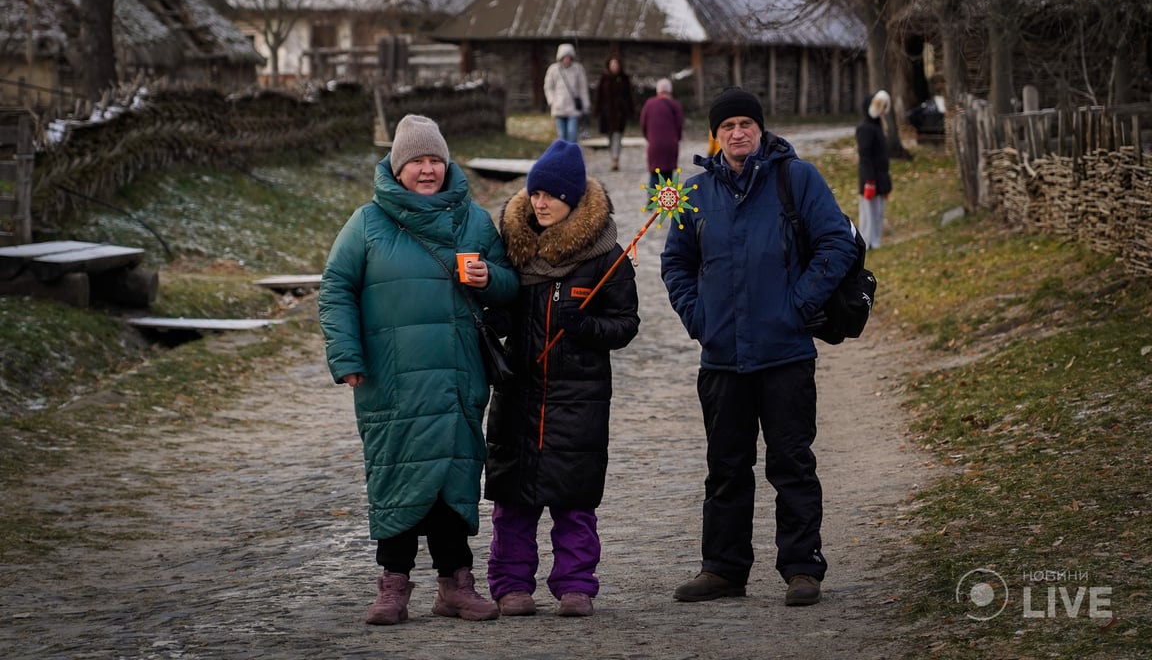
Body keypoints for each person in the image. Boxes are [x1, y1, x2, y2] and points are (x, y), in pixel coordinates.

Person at [660, 87, 858, 607]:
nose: (738, 132)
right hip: (722, 357)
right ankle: (723, 569)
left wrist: (798, 304)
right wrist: (697, 316)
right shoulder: (693, 191)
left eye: (747, 123)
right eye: (728, 126)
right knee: (725, 466)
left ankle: (801, 568)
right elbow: (675, 261)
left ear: (761, 129)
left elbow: (838, 242)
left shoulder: (797, 179)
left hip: (785, 353)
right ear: (715, 134)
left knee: (791, 463)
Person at [318, 114, 519, 626]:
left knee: (454, 472)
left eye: (435, 160)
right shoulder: (366, 223)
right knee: (395, 474)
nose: (427, 170)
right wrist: (347, 359)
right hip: (391, 379)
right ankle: (393, 587)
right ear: (396, 166)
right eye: (416, 162)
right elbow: (335, 289)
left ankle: (457, 585)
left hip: (456, 373)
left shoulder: (473, 220)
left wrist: (487, 278)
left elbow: (510, 288)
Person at [484, 139, 640, 619]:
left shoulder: (605, 258)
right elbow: (501, 307)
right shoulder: (513, 251)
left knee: (574, 500)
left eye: (552, 194)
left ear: (574, 199)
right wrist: (496, 319)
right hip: (519, 393)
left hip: (580, 400)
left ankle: (575, 585)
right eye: (535, 194)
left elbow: (626, 324)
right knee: (513, 500)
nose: (541, 202)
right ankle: (511, 585)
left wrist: (586, 325)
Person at [857, 90, 892, 249]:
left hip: (881, 176)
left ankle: (875, 241)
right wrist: (869, 181)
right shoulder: (865, 129)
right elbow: (865, 156)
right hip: (870, 178)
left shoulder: (878, 127)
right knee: (868, 214)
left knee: (878, 213)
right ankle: (866, 242)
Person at [639, 78, 684, 188]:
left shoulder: (649, 104)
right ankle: (668, 202)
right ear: (670, 91)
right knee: (668, 175)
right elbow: (679, 125)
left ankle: (652, 200)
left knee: (655, 173)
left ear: (658, 91)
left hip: (654, 144)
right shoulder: (675, 105)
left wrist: (649, 138)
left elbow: (643, 123)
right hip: (670, 145)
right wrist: (676, 139)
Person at [594, 56, 635, 172]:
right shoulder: (604, 78)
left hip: (620, 113)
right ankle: (613, 156)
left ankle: (615, 159)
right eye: (612, 64)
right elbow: (599, 95)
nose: (614, 67)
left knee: (617, 136)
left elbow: (629, 96)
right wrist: (597, 110)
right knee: (610, 137)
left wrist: (630, 111)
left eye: (616, 64)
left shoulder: (624, 79)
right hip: (607, 113)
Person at [543, 43, 589, 144]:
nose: (566, 60)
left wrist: (585, 105)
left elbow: (583, 88)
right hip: (559, 107)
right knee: (562, 135)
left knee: (572, 134)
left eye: (568, 57)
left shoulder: (578, 69)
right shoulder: (553, 70)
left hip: (573, 108)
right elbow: (548, 87)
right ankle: (563, 157)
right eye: (565, 57)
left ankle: (571, 156)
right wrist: (552, 101)